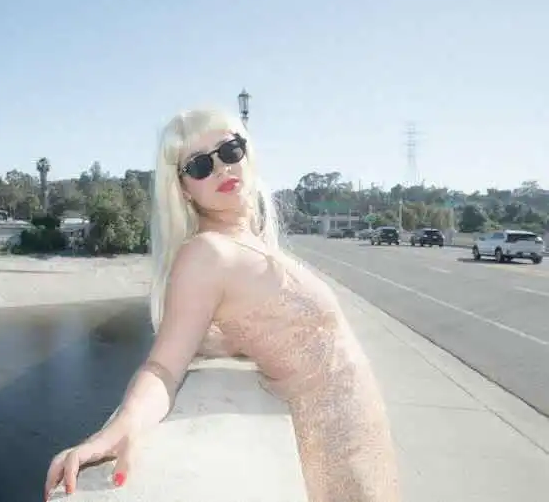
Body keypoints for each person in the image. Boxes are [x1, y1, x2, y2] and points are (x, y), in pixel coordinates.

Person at [44, 109, 401, 502]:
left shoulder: (252, 241)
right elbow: (163, 367)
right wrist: (126, 423)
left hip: (356, 437)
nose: (220, 168)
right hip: (330, 448)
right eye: (199, 165)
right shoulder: (207, 255)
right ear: (182, 189)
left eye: (230, 150)